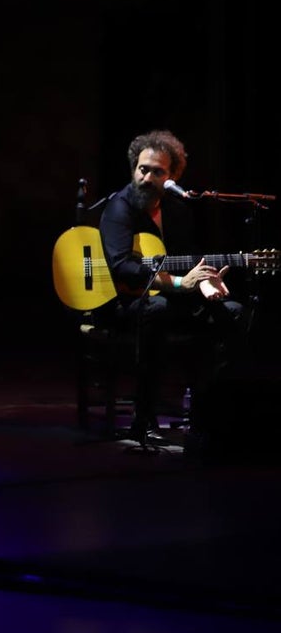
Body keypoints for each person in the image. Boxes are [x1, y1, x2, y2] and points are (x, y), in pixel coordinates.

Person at [98, 129, 247, 445]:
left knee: (233, 313)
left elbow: (189, 261)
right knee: (157, 309)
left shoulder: (178, 210)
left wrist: (206, 282)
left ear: (173, 176)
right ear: (133, 168)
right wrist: (181, 282)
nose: (147, 177)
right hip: (127, 303)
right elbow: (121, 266)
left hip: (173, 299)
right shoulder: (120, 207)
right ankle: (145, 417)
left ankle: (209, 412)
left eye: (157, 171)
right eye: (143, 168)